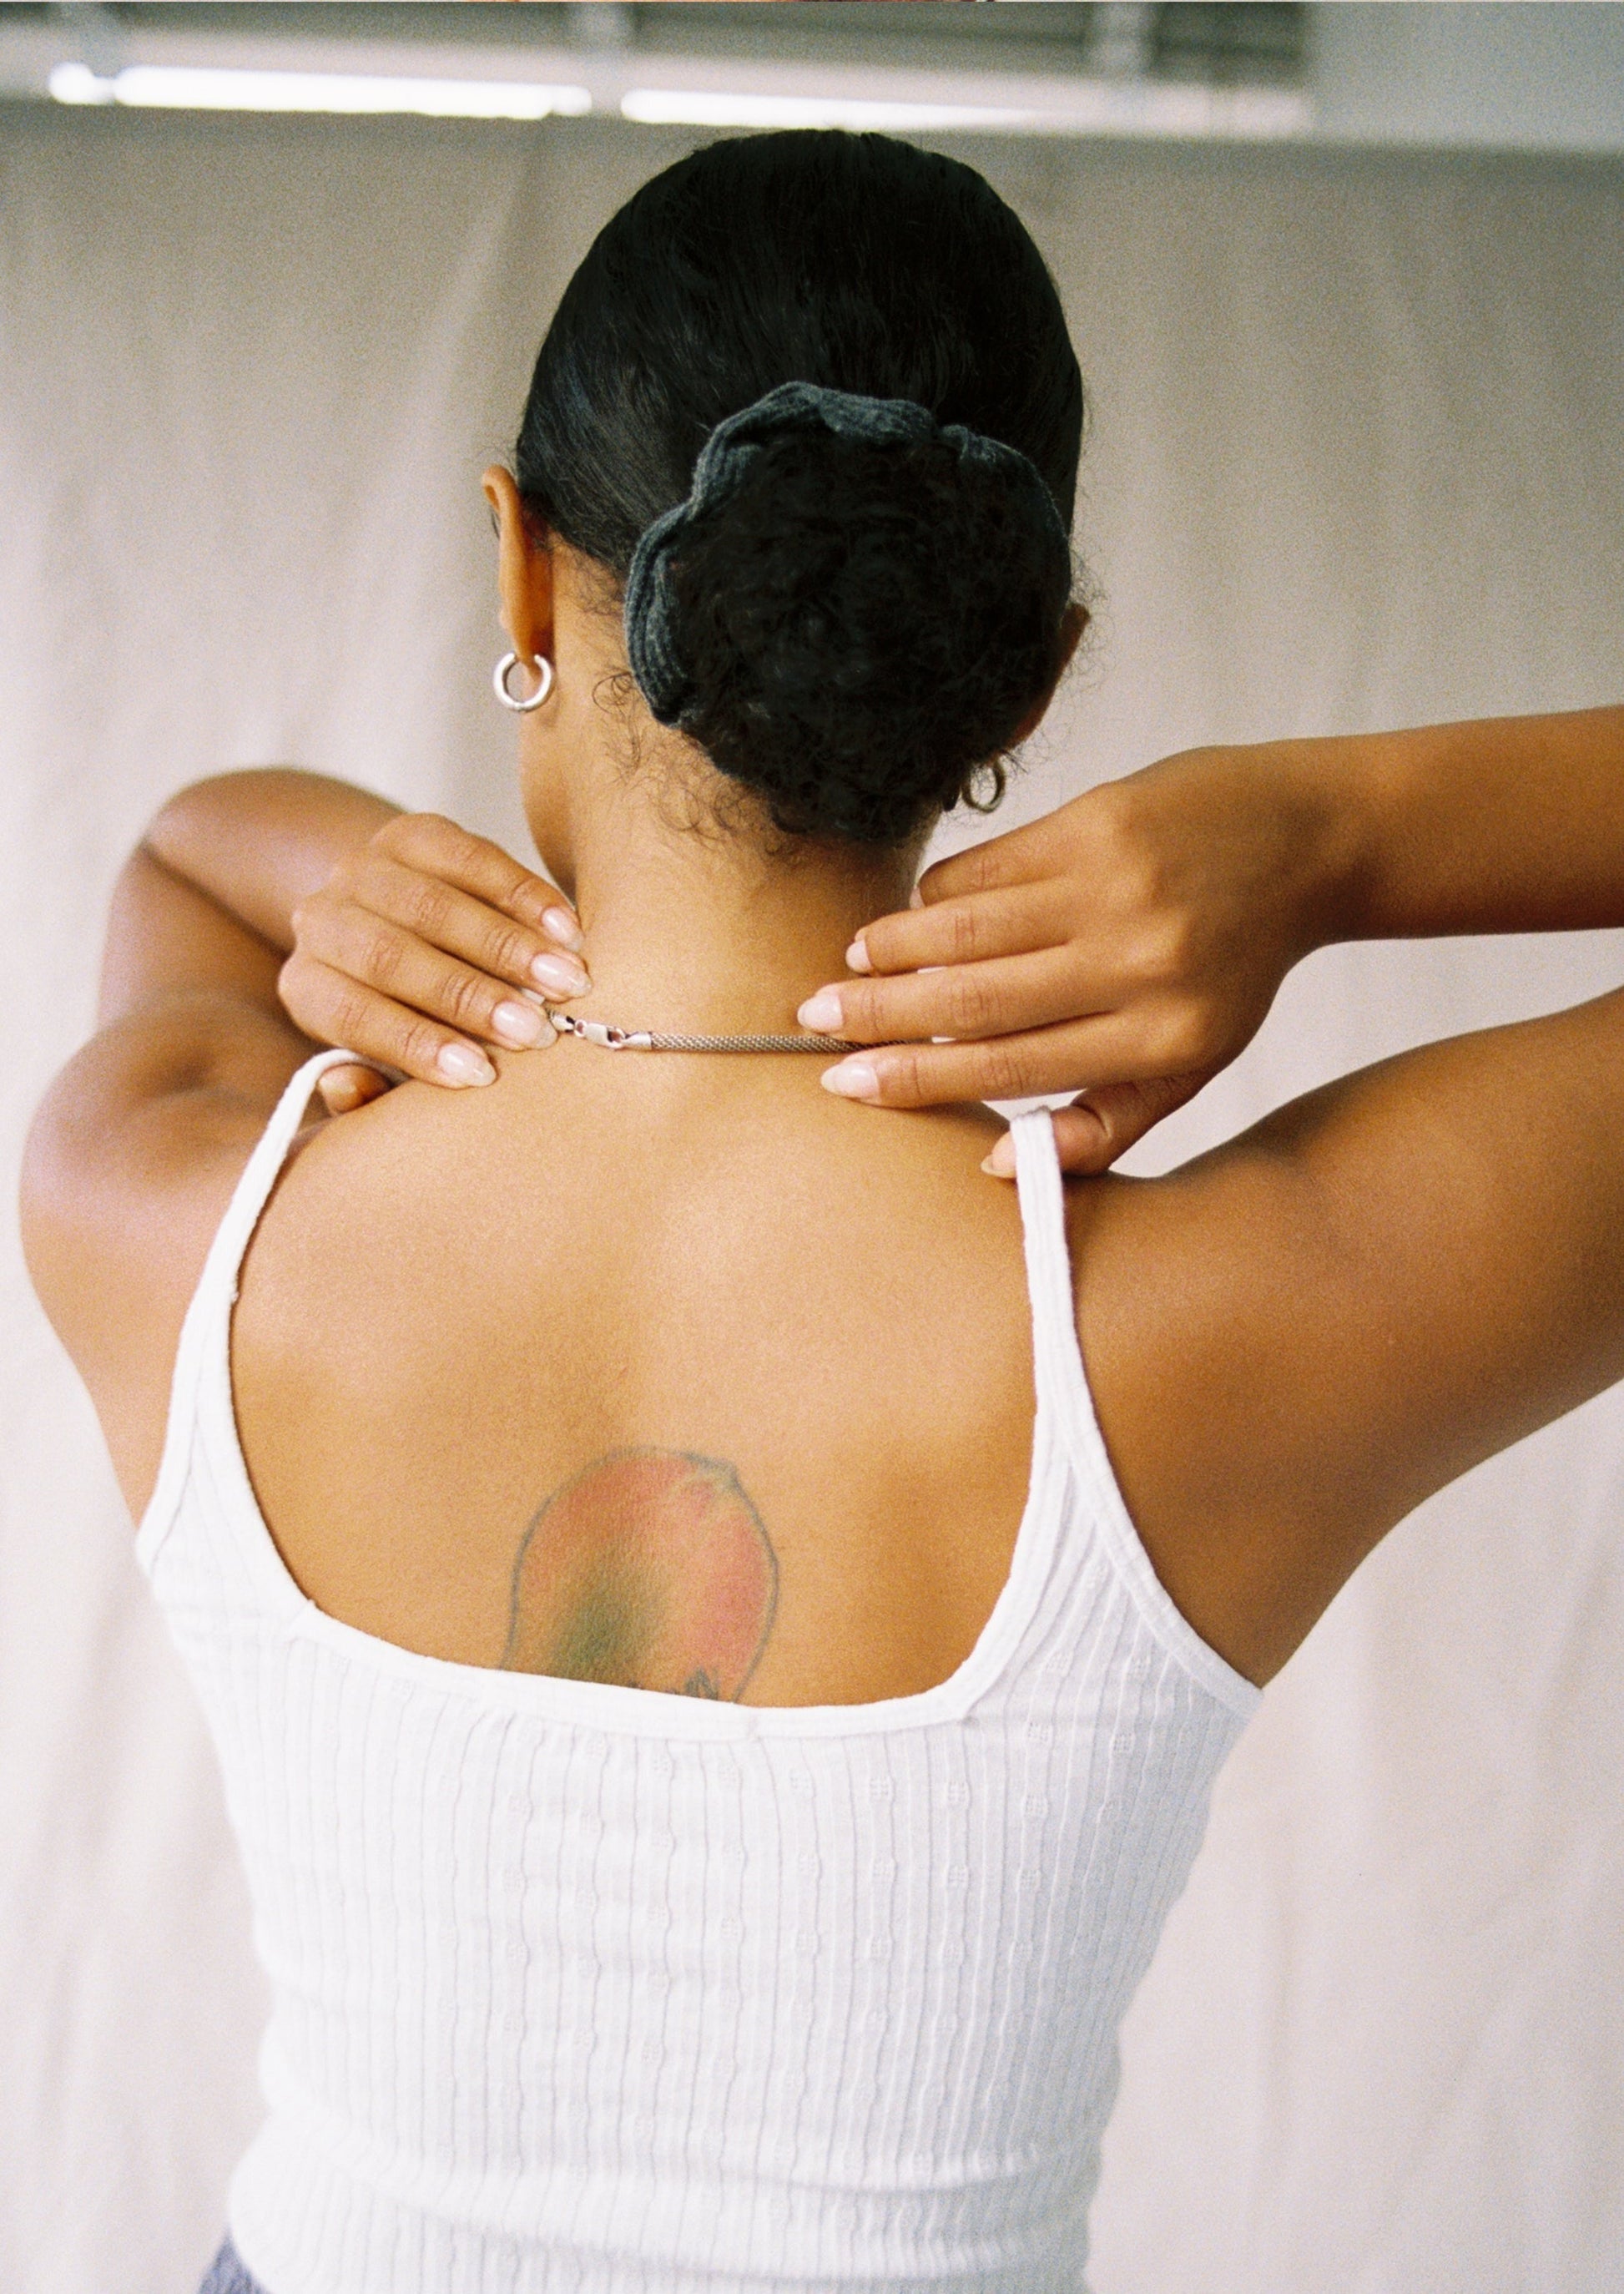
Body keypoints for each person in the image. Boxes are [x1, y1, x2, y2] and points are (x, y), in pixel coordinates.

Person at [18, 129, 1623, 2294]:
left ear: (517, 566)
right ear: (1028, 669)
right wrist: (1335, 833)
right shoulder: (1221, 1333)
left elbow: (176, 877)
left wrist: (280, 840)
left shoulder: (179, 1222)